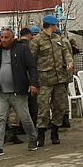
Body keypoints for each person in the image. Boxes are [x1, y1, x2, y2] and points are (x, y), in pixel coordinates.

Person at [0, 29, 39, 156]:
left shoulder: (22, 49)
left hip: (17, 91)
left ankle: (32, 138)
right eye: (1, 37)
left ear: (13, 38)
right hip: (1, 92)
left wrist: (33, 83)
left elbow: (32, 67)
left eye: (6, 37)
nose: (3, 40)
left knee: (25, 118)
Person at [29, 15, 72, 147]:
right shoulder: (37, 41)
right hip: (44, 80)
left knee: (60, 106)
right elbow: (31, 61)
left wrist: (69, 63)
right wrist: (33, 81)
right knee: (43, 108)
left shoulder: (59, 39)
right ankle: (40, 134)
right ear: (52, 25)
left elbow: (66, 53)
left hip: (59, 79)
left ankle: (55, 131)